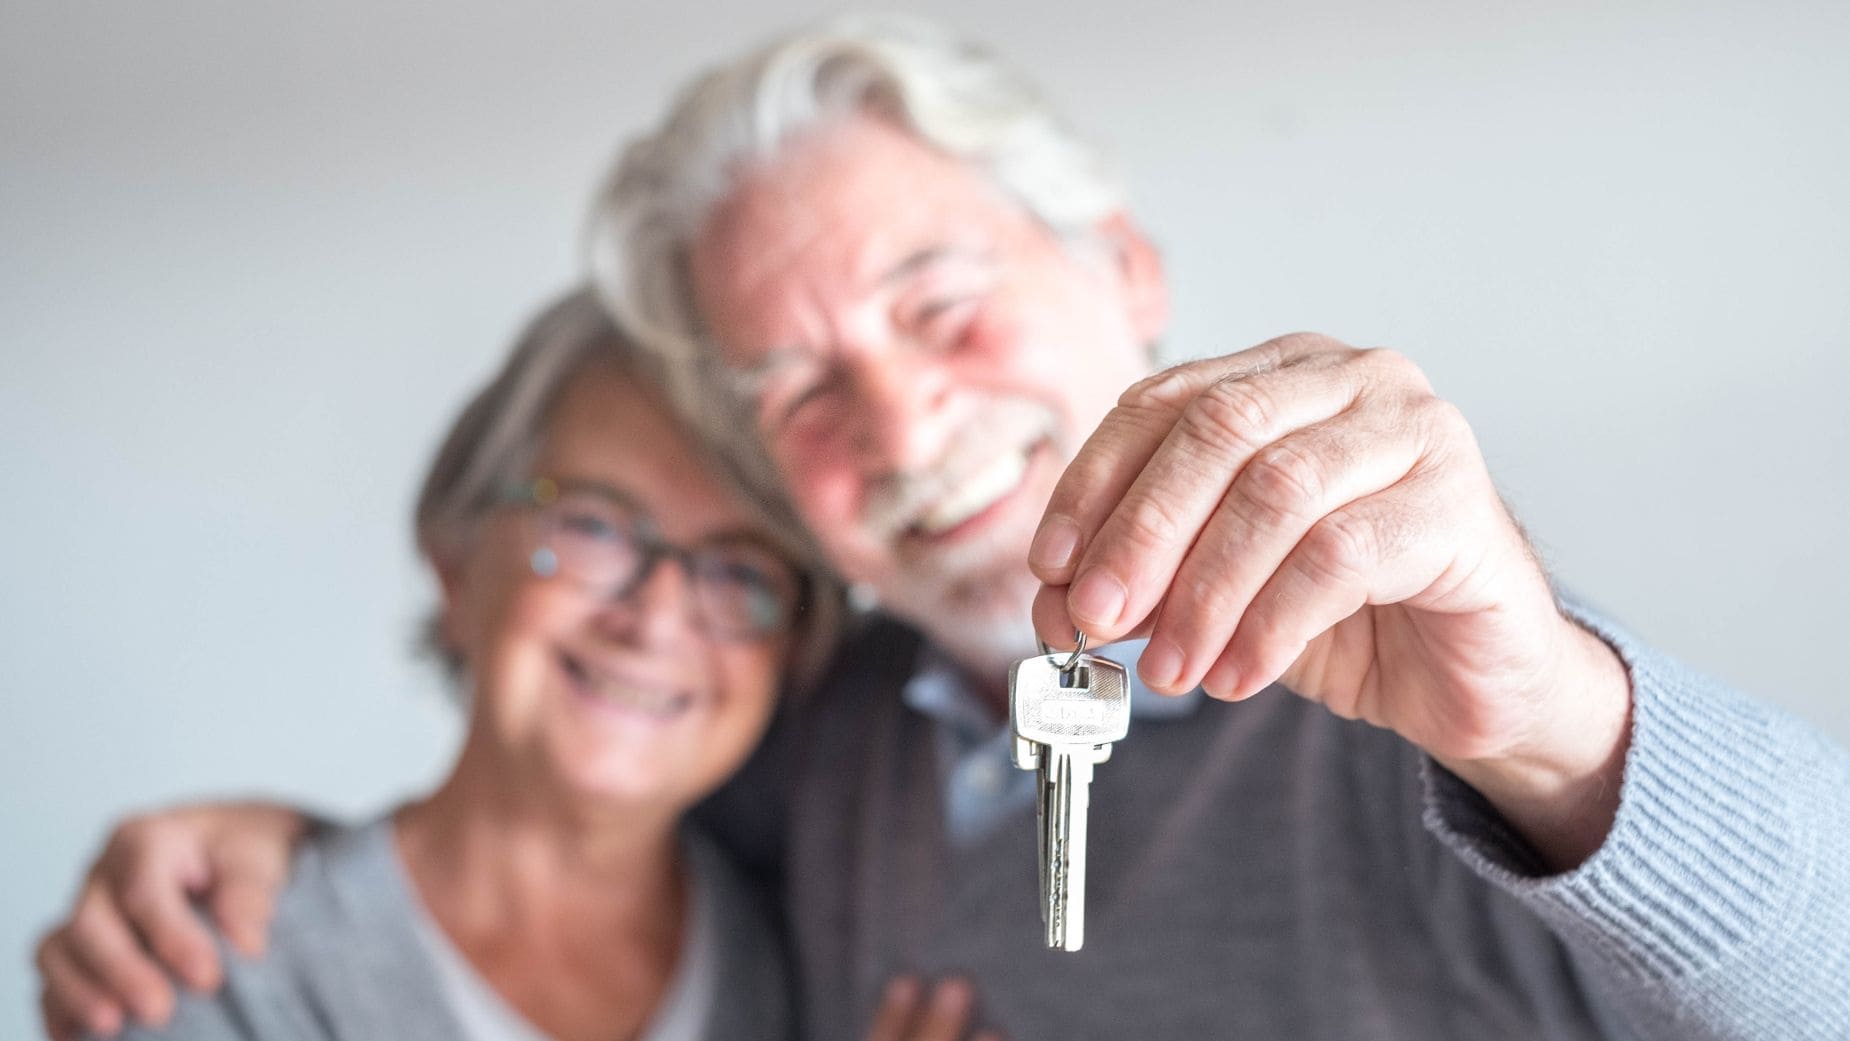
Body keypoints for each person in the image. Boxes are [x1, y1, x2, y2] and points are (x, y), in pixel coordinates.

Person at [39, 15, 1850, 1041]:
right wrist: (281, 848)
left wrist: (1553, 713)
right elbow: (539, 866)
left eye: (937, 300)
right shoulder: (819, 749)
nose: (900, 423)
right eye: (797, 391)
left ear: (1120, 269)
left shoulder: (1446, 698)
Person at [34, 287, 992, 1041]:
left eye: (741, 570)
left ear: (794, 646)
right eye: (592, 524)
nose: (654, 615)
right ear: (455, 560)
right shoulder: (213, 960)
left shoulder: (811, 951)